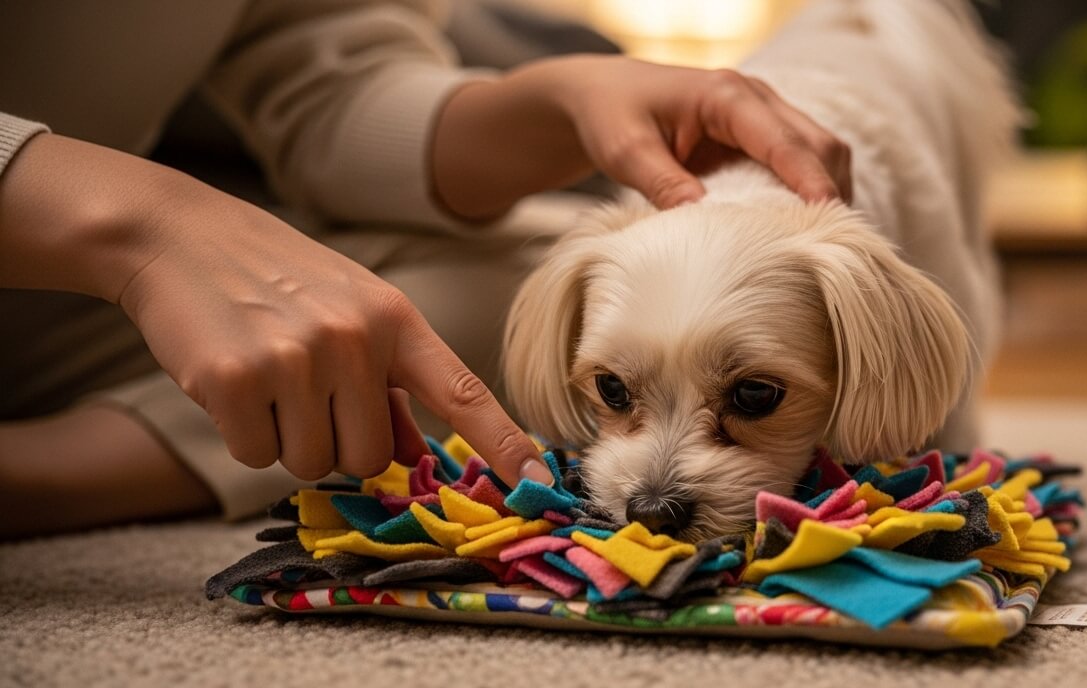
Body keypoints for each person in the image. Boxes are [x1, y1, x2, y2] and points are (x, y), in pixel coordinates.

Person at [0, 0, 849, 538]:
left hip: (53, 306)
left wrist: (559, 99)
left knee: (489, 293)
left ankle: (42, 466)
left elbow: (327, 89)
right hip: (53, 229)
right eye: (615, 400)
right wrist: (142, 224)